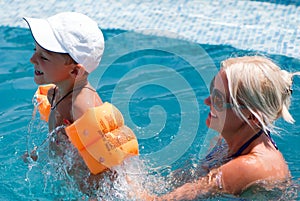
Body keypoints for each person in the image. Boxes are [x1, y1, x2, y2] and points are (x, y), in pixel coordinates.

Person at [23, 12, 139, 195]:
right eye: (35, 50)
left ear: (75, 72)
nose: (32, 59)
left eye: (43, 57)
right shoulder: (57, 92)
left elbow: (107, 169)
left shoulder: (80, 106)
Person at [155, 56, 300, 200]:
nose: (207, 101)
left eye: (218, 100)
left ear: (252, 117)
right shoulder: (224, 142)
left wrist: (132, 168)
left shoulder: (248, 166)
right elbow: (183, 183)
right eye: (212, 91)